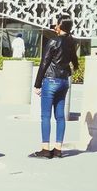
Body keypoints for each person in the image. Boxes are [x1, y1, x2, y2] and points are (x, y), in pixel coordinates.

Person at [31, 14, 79, 159]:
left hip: (51, 81)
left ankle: (45, 149)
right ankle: (58, 149)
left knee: (45, 116)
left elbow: (44, 63)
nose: (55, 26)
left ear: (60, 26)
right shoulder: (72, 42)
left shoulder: (53, 41)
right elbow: (73, 62)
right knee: (60, 116)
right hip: (64, 81)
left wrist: (37, 84)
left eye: (56, 24)